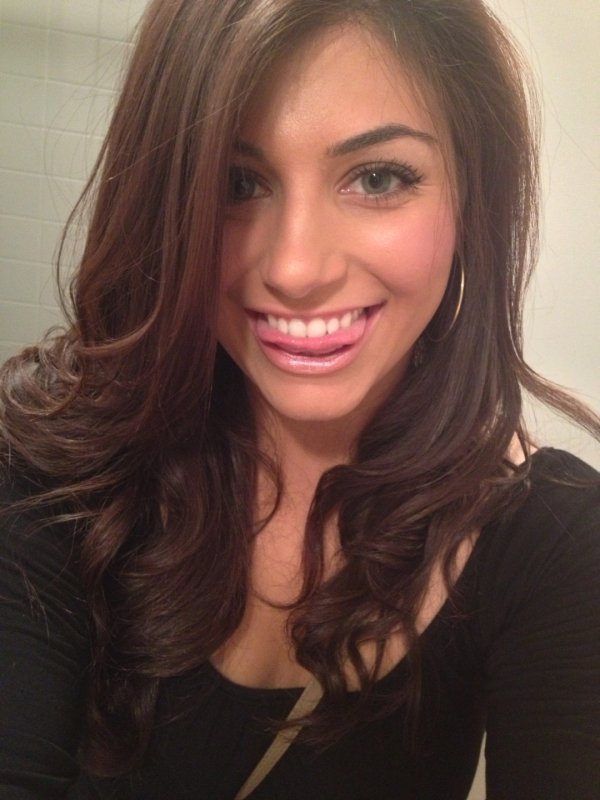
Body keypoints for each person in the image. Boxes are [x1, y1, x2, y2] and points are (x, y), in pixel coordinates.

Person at [0, 0, 598, 798]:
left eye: (378, 178)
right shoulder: (54, 459)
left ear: (473, 201)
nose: (294, 268)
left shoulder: (555, 542)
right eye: (238, 183)